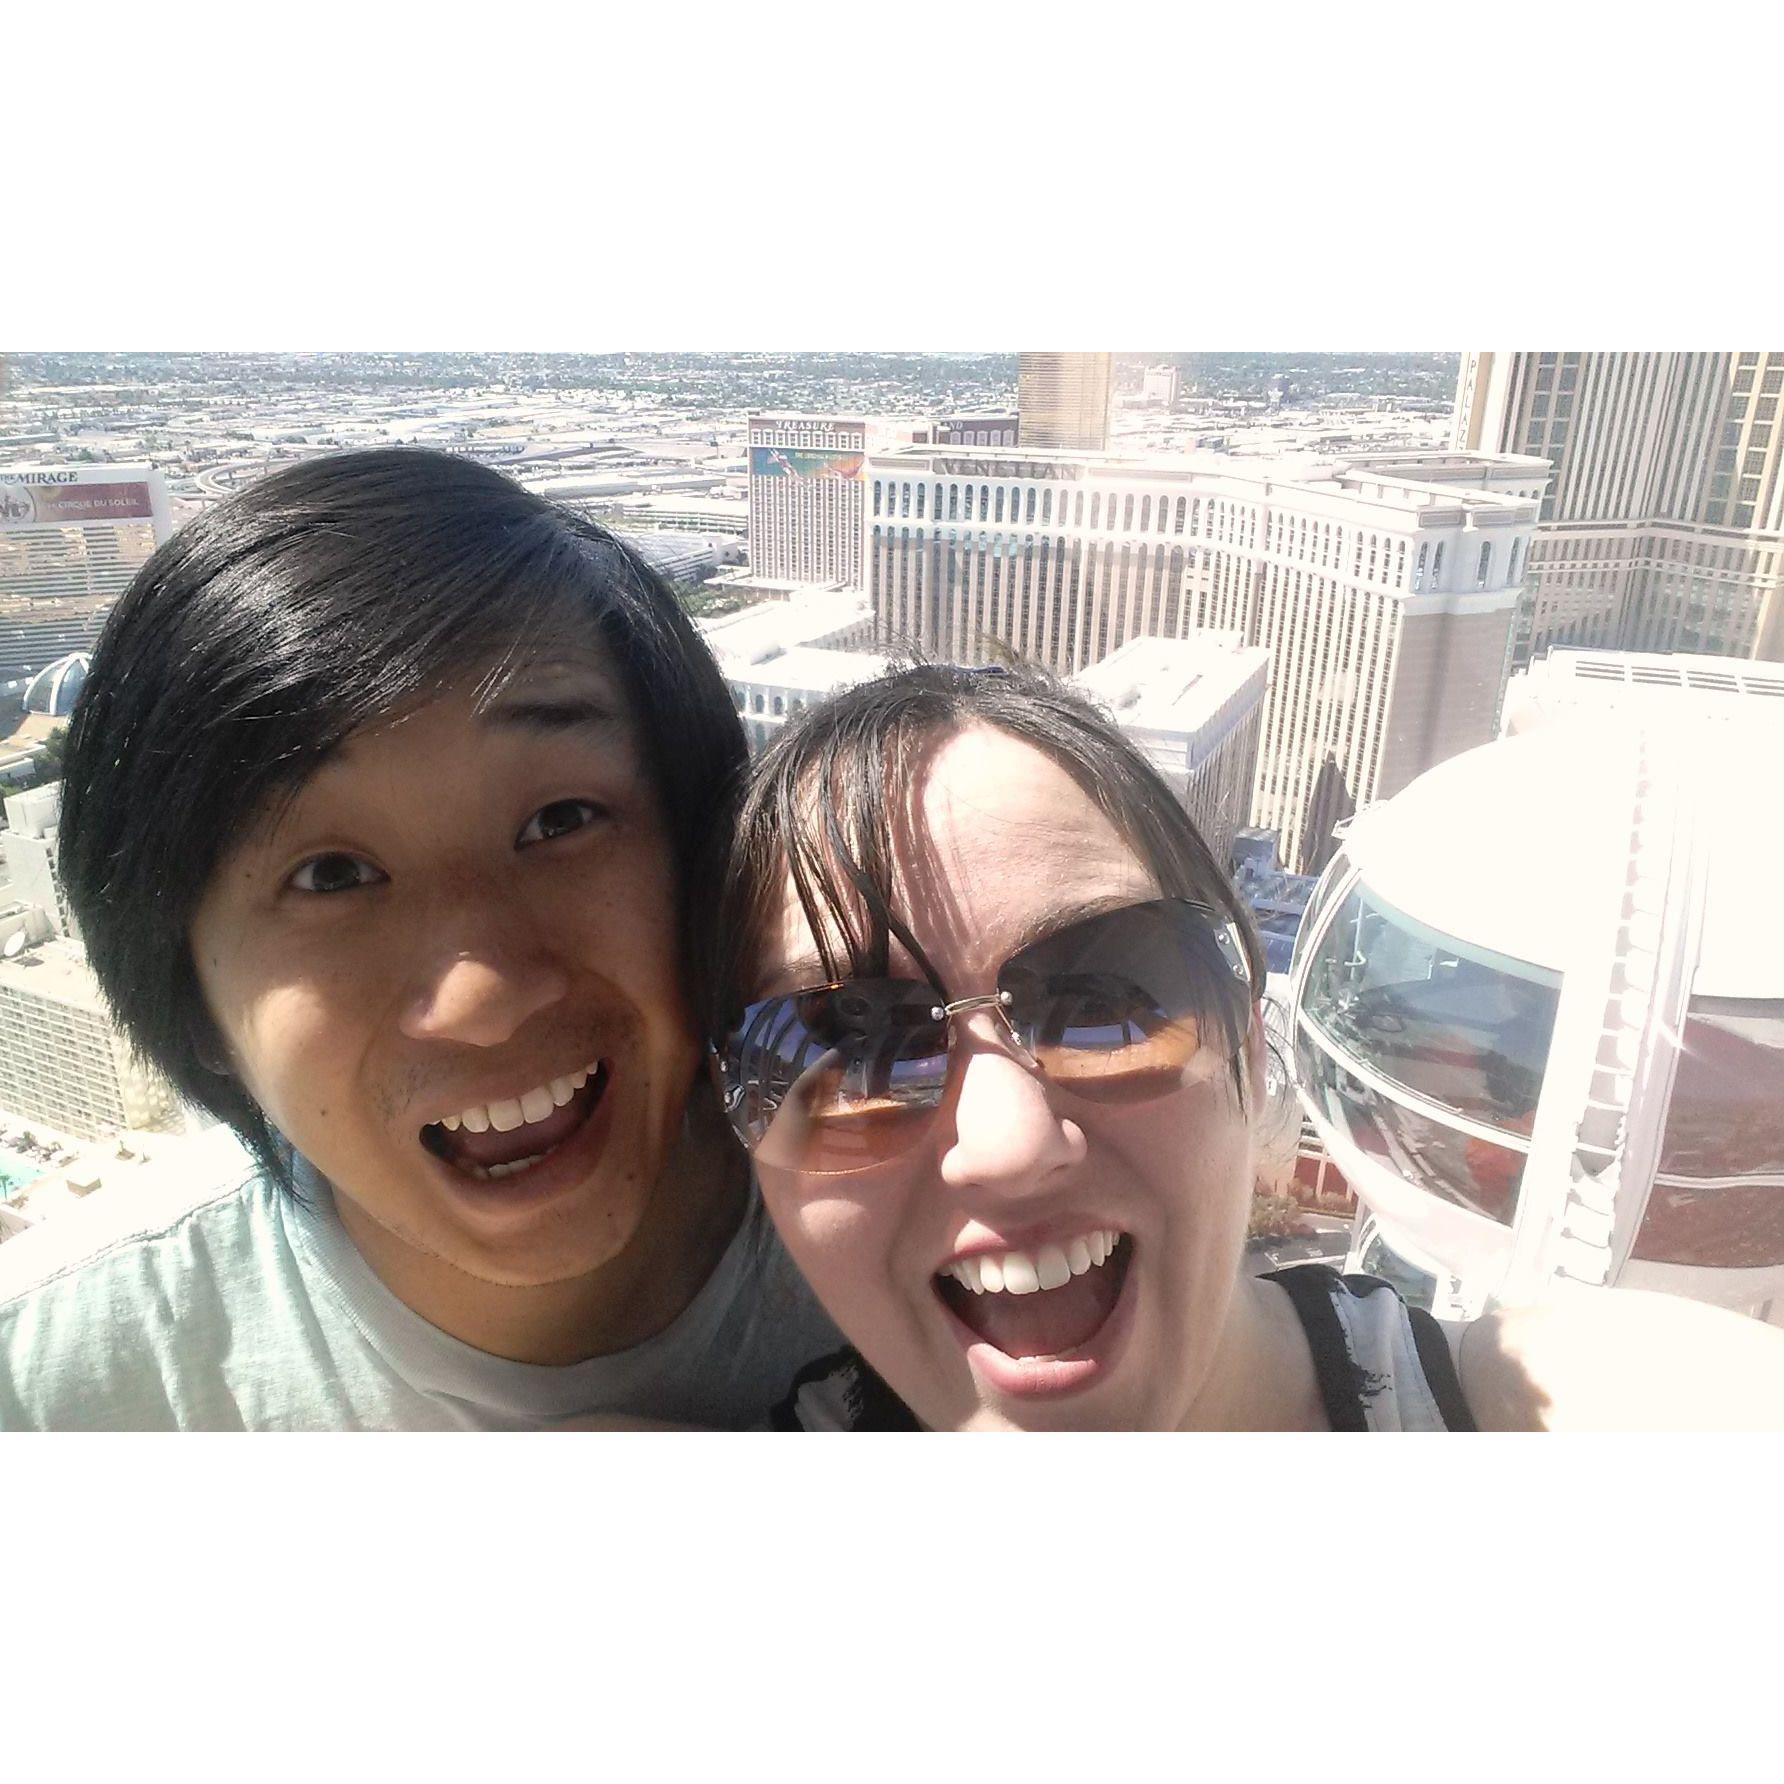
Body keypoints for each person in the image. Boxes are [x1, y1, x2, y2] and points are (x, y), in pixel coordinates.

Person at [703, 660, 1784, 1430]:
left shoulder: (1569, 1415)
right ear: (749, 1152)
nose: (1006, 1142)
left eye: (1107, 995)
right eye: (850, 1051)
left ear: (1251, 1052)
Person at [0, 449, 839, 1429]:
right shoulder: (63, 1380)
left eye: (561, 819)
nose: (481, 1000)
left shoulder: (931, 1217)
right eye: (331, 875)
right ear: (194, 1008)